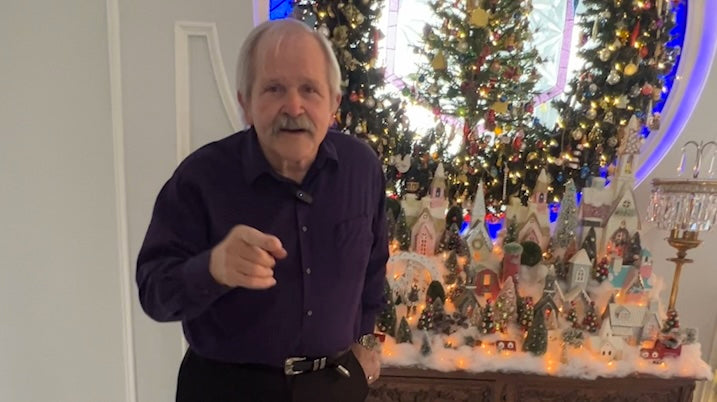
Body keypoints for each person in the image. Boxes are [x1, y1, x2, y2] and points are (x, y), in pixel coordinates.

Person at [136, 18, 388, 402]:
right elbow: (154, 293)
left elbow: (374, 264)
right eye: (274, 89)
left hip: (334, 385)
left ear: (334, 103)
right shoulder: (200, 177)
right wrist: (213, 268)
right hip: (226, 388)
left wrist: (367, 339)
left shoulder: (362, 167)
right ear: (246, 103)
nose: (294, 105)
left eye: (310, 89)